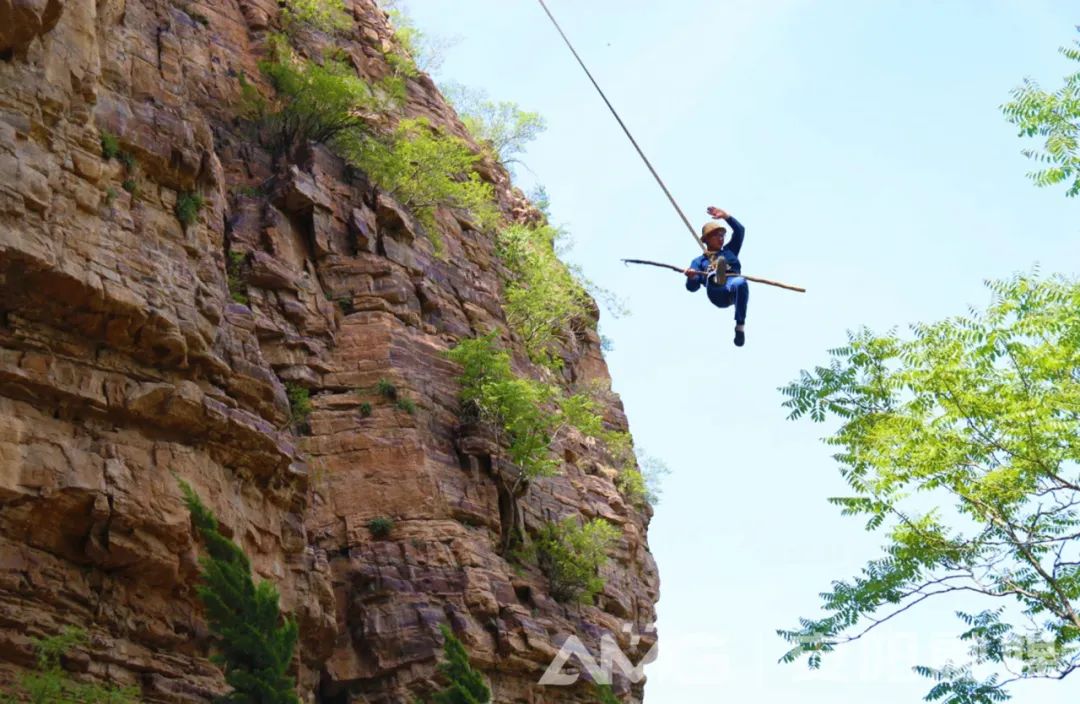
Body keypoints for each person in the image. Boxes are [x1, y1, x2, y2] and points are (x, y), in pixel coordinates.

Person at [684, 206, 749, 347]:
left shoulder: (730, 251)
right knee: (714, 277)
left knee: (740, 282)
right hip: (716, 293)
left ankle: (740, 326)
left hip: (732, 289)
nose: (720, 238)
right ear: (706, 239)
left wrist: (726, 216)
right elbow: (692, 287)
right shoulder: (699, 261)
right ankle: (717, 277)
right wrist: (691, 276)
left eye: (722, 235)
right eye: (716, 235)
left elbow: (740, 231)